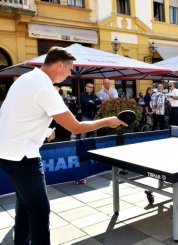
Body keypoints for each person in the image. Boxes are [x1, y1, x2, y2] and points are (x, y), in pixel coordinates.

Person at [0, 46, 125, 245]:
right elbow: (75, 127)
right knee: (40, 212)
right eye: (69, 69)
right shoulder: (45, 88)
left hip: (6, 153)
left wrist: (46, 132)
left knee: (24, 204)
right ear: (59, 65)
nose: (69, 74)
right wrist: (107, 121)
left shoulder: (26, 79)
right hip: (23, 158)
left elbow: (15, 116)